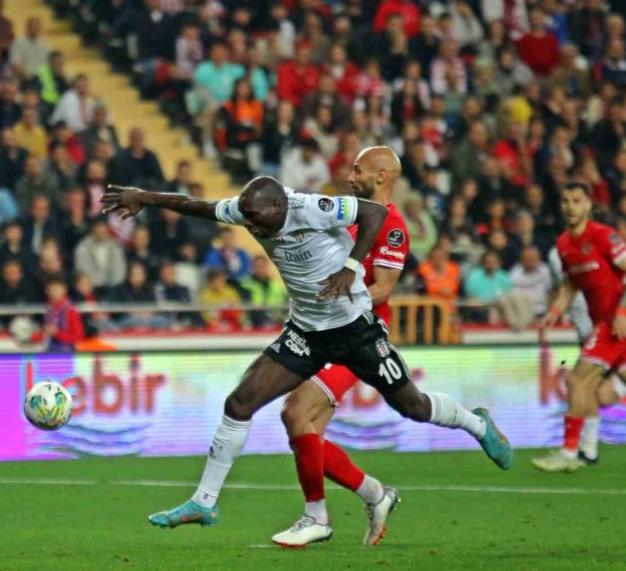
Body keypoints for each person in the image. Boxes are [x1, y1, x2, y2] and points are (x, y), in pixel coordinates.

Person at [101, 147, 512, 534]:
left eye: (261, 221)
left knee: (413, 407)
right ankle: (205, 501)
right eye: (249, 221)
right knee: (240, 403)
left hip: (355, 330)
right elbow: (201, 206)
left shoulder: (312, 208)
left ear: (281, 208)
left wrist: (351, 268)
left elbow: (372, 214)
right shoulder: (249, 212)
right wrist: (146, 197)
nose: (255, 229)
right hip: (306, 333)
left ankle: (475, 422)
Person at [272, 145, 410, 547]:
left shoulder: (392, 224)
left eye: (358, 170)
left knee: (296, 412)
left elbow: (384, 287)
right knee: (306, 429)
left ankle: (316, 516)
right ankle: (375, 495)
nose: (350, 178)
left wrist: (333, 297)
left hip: (356, 336)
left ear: (381, 175)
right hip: (325, 330)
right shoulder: (351, 217)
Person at [532, 183, 626, 472]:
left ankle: (570, 452)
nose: (570, 206)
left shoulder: (602, 236)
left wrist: (622, 311)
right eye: (565, 201)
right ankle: (588, 449)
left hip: (616, 322)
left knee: (577, 381)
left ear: (588, 206)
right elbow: (571, 283)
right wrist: (555, 311)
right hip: (605, 322)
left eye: (576, 200)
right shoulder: (563, 244)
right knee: (598, 391)